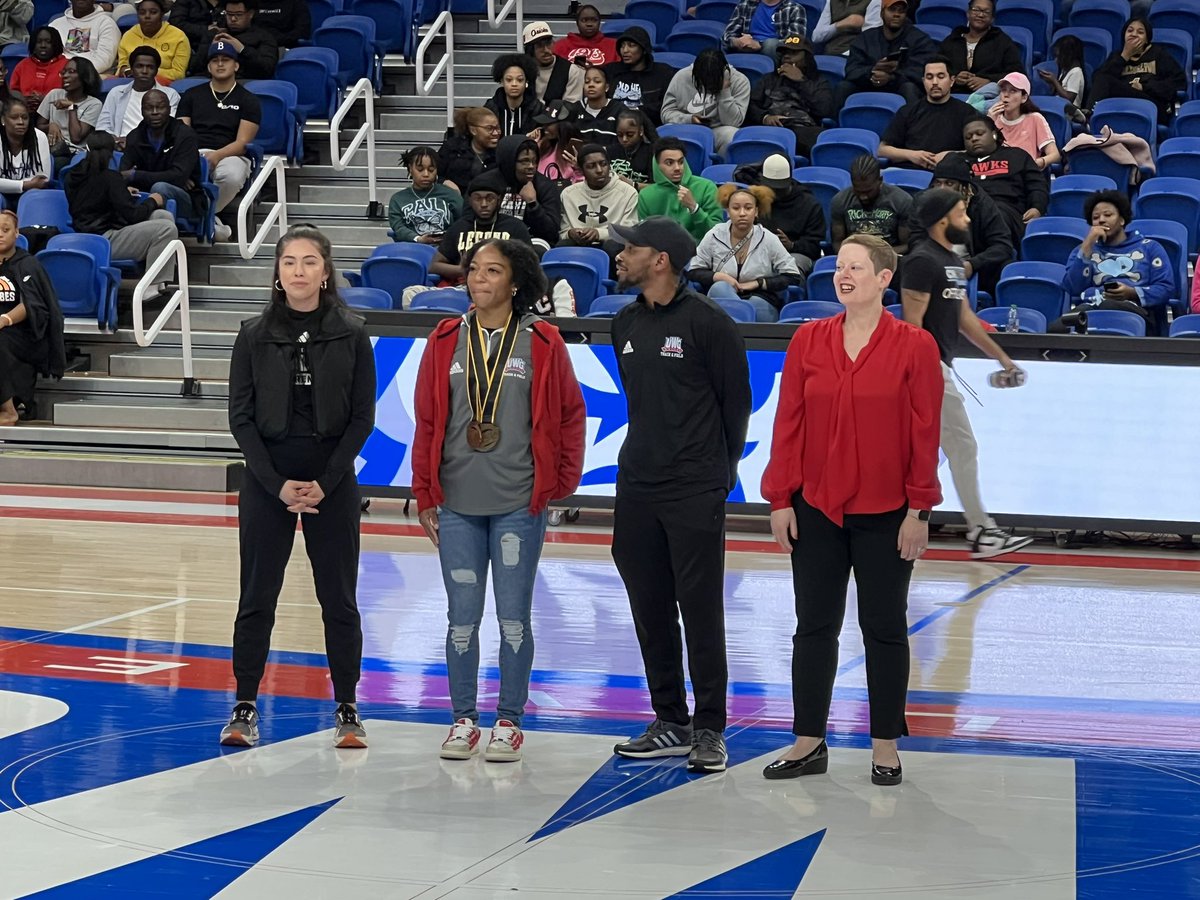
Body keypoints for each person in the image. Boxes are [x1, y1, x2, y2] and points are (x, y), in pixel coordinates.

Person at [759, 233, 942, 786]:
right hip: (815, 507)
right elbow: (787, 423)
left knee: (883, 627)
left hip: (888, 511)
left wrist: (919, 510)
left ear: (884, 279)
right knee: (813, 625)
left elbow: (924, 433)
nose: (844, 276)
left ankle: (885, 744)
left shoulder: (915, 346)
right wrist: (779, 499)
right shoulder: (808, 340)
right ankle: (808, 741)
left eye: (856, 268)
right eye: (840, 267)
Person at [412, 238, 585, 763]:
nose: (478, 279)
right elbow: (425, 422)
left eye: (492, 271)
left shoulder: (544, 341)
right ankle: (463, 719)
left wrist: (560, 484)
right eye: (474, 270)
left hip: (517, 504)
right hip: (458, 504)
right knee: (461, 619)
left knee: (514, 618)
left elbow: (570, 416)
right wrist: (424, 492)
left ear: (515, 283)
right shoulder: (444, 339)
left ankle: (509, 721)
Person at [222, 225, 376, 750]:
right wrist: (276, 483)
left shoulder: (352, 332)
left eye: (310, 262)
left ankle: (348, 707)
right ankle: (244, 704)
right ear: (278, 273)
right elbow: (240, 419)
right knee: (257, 595)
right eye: (289, 262)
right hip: (268, 479)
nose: (299, 271)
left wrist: (326, 482)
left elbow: (362, 418)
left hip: (332, 477)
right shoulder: (251, 333)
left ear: (326, 272)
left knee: (339, 598)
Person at [608, 216, 751, 774]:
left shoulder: (709, 323)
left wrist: (719, 470)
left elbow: (735, 404)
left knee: (700, 609)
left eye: (631, 249)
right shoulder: (622, 322)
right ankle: (670, 719)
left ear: (660, 259)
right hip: (637, 484)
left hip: (695, 485)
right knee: (649, 609)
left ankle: (710, 728)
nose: (619, 256)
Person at [901, 188, 1033, 558]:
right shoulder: (920, 261)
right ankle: (981, 532)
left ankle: (975, 530)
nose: (969, 219)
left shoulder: (953, 262)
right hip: (924, 370)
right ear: (942, 219)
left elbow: (963, 319)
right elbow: (911, 328)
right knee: (961, 447)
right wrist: (924, 373)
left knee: (934, 451)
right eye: (962, 212)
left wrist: (1003, 359)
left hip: (939, 367)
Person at [64, 131, 179, 286]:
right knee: (167, 228)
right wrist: (152, 200)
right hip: (104, 239)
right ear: (112, 152)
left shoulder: (71, 175)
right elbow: (133, 215)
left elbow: (94, 196)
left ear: (87, 149)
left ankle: (161, 273)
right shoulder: (111, 177)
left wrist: (121, 192)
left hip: (82, 237)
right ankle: (153, 285)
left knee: (162, 216)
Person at [177, 40, 262, 240]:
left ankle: (202, 216)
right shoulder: (191, 95)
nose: (220, 64)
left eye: (226, 60)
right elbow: (182, 132)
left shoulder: (248, 99)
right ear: (208, 66)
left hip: (230, 153)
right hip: (193, 150)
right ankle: (210, 221)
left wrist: (216, 156)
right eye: (215, 60)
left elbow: (242, 143)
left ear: (236, 65)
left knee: (231, 175)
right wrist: (192, 157)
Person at [1056, 189, 1170, 332]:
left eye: (1108, 215)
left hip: (1136, 312)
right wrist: (1088, 243)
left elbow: (1166, 288)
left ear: (1122, 220)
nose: (1101, 220)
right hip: (1091, 308)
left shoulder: (1150, 248)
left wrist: (1132, 292)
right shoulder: (1085, 249)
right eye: (1095, 217)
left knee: (1105, 306)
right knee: (1055, 329)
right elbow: (1072, 287)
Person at [689, 183, 801, 322]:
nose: (742, 213)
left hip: (760, 300)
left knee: (754, 304)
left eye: (748, 208)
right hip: (723, 299)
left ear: (756, 212)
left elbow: (793, 276)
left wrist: (759, 283)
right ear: (728, 212)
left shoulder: (768, 238)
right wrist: (718, 276)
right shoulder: (714, 235)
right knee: (720, 288)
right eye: (736, 208)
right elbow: (693, 270)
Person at [907, 153, 1012, 298]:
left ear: (963, 186)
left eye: (949, 183)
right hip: (933, 262)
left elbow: (1003, 245)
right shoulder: (923, 202)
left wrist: (973, 264)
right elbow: (916, 239)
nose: (942, 189)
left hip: (972, 266)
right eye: (938, 183)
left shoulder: (981, 204)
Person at [0, 209, 65, 427]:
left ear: (17, 233)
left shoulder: (28, 264)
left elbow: (33, 304)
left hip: (26, 334)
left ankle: (8, 411)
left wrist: (5, 319)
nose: (0, 234)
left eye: (5, 229)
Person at [429, 171, 532, 285]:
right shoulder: (459, 227)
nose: (484, 204)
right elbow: (434, 266)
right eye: (478, 199)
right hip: (462, 288)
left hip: (501, 289)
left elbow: (529, 265)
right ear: (470, 200)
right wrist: (465, 270)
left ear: (499, 199)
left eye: (489, 198)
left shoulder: (515, 227)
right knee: (411, 292)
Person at [733, 153, 823, 277]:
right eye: (770, 188)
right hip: (758, 249)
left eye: (779, 189)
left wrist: (791, 245)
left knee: (790, 267)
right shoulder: (756, 199)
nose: (774, 192)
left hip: (794, 253)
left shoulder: (809, 204)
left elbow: (815, 246)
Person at [879, 56, 978, 170]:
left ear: (952, 81)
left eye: (941, 77)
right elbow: (882, 150)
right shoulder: (907, 111)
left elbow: (978, 149)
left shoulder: (966, 111)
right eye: (929, 77)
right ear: (923, 81)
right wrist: (912, 155)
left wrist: (951, 155)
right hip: (908, 169)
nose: (935, 82)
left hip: (948, 173)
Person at [120, 89, 203, 222]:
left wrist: (136, 175)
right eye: (149, 108)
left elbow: (178, 176)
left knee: (160, 187)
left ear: (169, 109)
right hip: (144, 195)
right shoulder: (135, 136)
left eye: (160, 107)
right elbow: (123, 174)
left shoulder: (185, 135)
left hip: (187, 199)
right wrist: (129, 181)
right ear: (141, 111)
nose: (155, 112)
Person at [961, 115, 1046, 243]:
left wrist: (1037, 207)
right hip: (967, 212)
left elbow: (1037, 185)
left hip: (1007, 210)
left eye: (979, 133)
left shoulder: (1017, 155)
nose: (974, 139)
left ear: (994, 134)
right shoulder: (958, 162)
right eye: (968, 137)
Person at [745, 34, 833, 156]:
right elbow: (750, 105)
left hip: (803, 130)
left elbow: (824, 110)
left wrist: (801, 81)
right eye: (784, 53)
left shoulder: (818, 81)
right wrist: (765, 117)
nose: (787, 56)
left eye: (793, 53)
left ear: (807, 58)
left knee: (821, 139)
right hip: (771, 128)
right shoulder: (768, 79)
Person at [1089, 16, 1186, 128]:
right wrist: (1124, 56)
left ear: (1147, 39)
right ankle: (1089, 116)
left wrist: (1144, 87)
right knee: (1102, 77)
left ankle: (1089, 117)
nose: (1134, 34)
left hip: (1151, 104)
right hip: (1120, 105)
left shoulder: (1159, 55)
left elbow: (1179, 81)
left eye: (1140, 32)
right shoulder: (1117, 56)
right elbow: (1098, 80)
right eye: (1130, 31)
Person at [839, 0, 936, 105]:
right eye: (892, 10)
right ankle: (831, 121)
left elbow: (923, 71)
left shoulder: (919, 39)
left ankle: (916, 121)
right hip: (869, 84)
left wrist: (892, 77)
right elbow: (851, 70)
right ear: (882, 13)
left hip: (900, 85)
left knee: (909, 88)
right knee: (844, 87)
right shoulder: (865, 38)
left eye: (901, 11)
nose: (896, 14)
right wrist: (872, 71)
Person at [558, 143, 638, 267]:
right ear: (581, 169)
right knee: (562, 247)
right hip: (579, 245)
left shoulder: (628, 192)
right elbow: (563, 232)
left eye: (603, 164)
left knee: (612, 247)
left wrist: (598, 233)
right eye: (591, 166)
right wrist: (571, 233)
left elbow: (629, 232)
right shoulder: (568, 194)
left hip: (612, 245)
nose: (600, 170)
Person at [661, 49, 751, 155]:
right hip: (687, 127)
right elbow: (666, 113)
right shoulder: (681, 77)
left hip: (717, 130)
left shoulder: (740, 81)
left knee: (732, 135)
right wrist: (689, 119)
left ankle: (720, 169)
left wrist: (725, 91)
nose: (708, 84)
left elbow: (734, 123)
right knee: (664, 131)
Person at [636, 137, 722, 242]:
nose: (677, 168)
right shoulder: (646, 195)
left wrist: (694, 208)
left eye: (681, 162)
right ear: (657, 165)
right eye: (669, 163)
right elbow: (645, 236)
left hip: (700, 254)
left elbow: (717, 235)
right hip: (661, 254)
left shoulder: (707, 187)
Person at [938, 0, 1021, 102]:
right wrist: (954, 78)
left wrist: (988, 80)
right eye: (976, 10)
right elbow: (937, 70)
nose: (980, 15)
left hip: (988, 99)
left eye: (986, 12)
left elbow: (1017, 75)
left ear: (992, 18)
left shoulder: (1002, 42)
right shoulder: (952, 40)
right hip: (953, 97)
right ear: (968, 13)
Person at [96, 46, 181, 145]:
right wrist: (114, 141)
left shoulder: (170, 94)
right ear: (131, 69)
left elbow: (167, 128)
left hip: (150, 148)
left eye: (150, 67)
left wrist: (133, 141)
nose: (144, 71)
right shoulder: (116, 93)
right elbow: (102, 127)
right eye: (139, 66)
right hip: (117, 146)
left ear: (156, 71)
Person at [831, 154, 912, 254]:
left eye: (868, 191)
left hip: (889, 258)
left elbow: (907, 245)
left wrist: (877, 256)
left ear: (880, 181)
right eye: (858, 191)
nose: (863, 197)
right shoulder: (840, 200)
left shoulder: (901, 201)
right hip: (853, 257)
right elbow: (837, 242)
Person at [495, 134, 562, 247]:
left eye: (534, 161)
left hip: (533, 240)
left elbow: (552, 233)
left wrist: (533, 204)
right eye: (524, 161)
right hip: (494, 237)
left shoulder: (545, 186)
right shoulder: (487, 183)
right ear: (509, 161)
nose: (531, 166)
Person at [389, 145, 463, 245]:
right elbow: (398, 227)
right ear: (410, 168)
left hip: (445, 249)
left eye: (431, 169)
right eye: (420, 169)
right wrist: (418, 238)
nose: (426, 174)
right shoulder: (398, 199)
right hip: (411, 249)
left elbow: (463, 222)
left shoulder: (450, 194)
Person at [36, 57, 101, 168]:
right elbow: (38, 125)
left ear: (84, 76)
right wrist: (51, 125)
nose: (65, 76)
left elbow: (76, 138)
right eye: (64, 72)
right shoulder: (54, 94)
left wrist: (71, 107)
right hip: (50, 148)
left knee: (57, 164)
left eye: (71, 72)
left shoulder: (94, 104)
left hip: (74, 154)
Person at [988, 72, 1059, 172]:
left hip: (1025, 173)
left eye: (1013, 91)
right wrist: (988, 123)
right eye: (1003, 90)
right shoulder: (992, 119)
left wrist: (1039, 162)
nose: (1006, 95)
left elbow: (1055, 155)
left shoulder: (1035, 119)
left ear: (1024, 97)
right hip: (998, 175)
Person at [190, 0, 277, 79]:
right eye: (229, 14)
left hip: (247, 83)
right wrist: (210, 49)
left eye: (238, 14)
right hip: (212, 82)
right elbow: (194, 69)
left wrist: (242, 49)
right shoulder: (214, 34)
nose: (233, 19)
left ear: (251, 14)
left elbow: (267, 69)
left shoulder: (264, 37)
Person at [604, 26, 673, 127]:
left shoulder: (662, 72)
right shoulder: (610, 70)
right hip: (610, 126)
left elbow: (664, 107)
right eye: (622, 46)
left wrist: (635, 111)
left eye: (631, 45)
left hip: (648, 127)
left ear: (644, 49)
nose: (625, 50)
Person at [116, 0, 190, 82]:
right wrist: (125, 70)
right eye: (142, 12)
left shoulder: (178, 36)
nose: (147, 16)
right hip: (131, 83)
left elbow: (179, 74)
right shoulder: (128, 36)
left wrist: (142, 71)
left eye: (153, 12)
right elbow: (122, 68)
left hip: (164, 85)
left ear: (162, 14)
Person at [0, 98, 51, 210]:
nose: (20, 122)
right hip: (4, 194)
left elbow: (43, 180)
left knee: (34, 197)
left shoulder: (39, 137)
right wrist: (25, 184)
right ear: (3, 119)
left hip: (30, 193)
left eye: (25, 117)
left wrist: (8, 185)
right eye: (14, 117)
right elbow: (33, 182)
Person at [438, 107, 500, 195]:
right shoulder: (452, 148)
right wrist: (444, 182)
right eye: (489, 128)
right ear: (473, 130)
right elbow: (435, 175)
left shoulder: (501, 153)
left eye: (497, 128)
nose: (495, 133)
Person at [523, 21, 583, 106]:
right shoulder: (521, 71)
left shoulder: (571, 70)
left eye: (548, 43)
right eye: (540, 46)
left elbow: (571, 106)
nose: (546, 50)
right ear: (530, 50)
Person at [484, 54, 544, 138]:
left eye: (520, 80)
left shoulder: (537, 108)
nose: (514, 84)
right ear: (502, 81)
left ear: (526, 81)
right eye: (509, 80)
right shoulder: (491, 107)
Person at [723, 0, 808, 59]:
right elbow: (728, 34)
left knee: (770, 45)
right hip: (745, 48)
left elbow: (794, 42)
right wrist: (737, 42)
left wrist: (759, 45)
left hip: (775, 52)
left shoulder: (795, 9)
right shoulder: (746, 4)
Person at [52, 0, 119, 74]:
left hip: (94, 77)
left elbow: (104, 61)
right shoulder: (56, 25)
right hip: (60, 74)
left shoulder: (107, 24)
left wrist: (77, 73)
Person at [11, 27, 67, 109]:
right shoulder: (23, 65)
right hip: (26, 112)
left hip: (56, 112)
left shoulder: (67, 65)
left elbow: (73, 96)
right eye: (39, 42)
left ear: (56, 44)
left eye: (48, 42)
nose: (43, 46)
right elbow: (14, 91)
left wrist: (46, 100)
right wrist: (23, 100)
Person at [532, 103, 583, 186]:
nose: (544, 127)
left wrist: (579, 170)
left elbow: (584, 186)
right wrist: (531, 146)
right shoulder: (541, 145)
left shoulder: (578, 150)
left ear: (564, 126)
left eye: (549, 124)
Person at [573, 65, 623, 148]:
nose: (591, 85)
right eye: (587, 81)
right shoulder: (575, 109)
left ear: (606, 87)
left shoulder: (619, 110)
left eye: (597, 81)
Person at [811, 0, 880, 57]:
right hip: (829, 53)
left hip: (853, 55)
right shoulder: (831, 2)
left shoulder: (874, 1)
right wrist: (841, 24)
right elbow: (816, 37)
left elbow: (871, 39)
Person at [1036, 34, 1086, 110]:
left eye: (1058, 57)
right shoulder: (1065, 70)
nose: (1056, 60)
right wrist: (1051, 82)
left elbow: (1069, 99)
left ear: (1068, 56)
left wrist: (1054, 81)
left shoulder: (1076, 72)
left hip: (1069, 113)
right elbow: (1059, 92)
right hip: (1057, 107)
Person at [610, 108, 656, 190]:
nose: (624, 139)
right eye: (620, 135)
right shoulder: (611, 151)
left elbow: (659, 188)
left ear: (641, 131)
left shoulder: (652, 153)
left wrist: (633, 184)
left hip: (642, 197)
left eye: (630, 135)